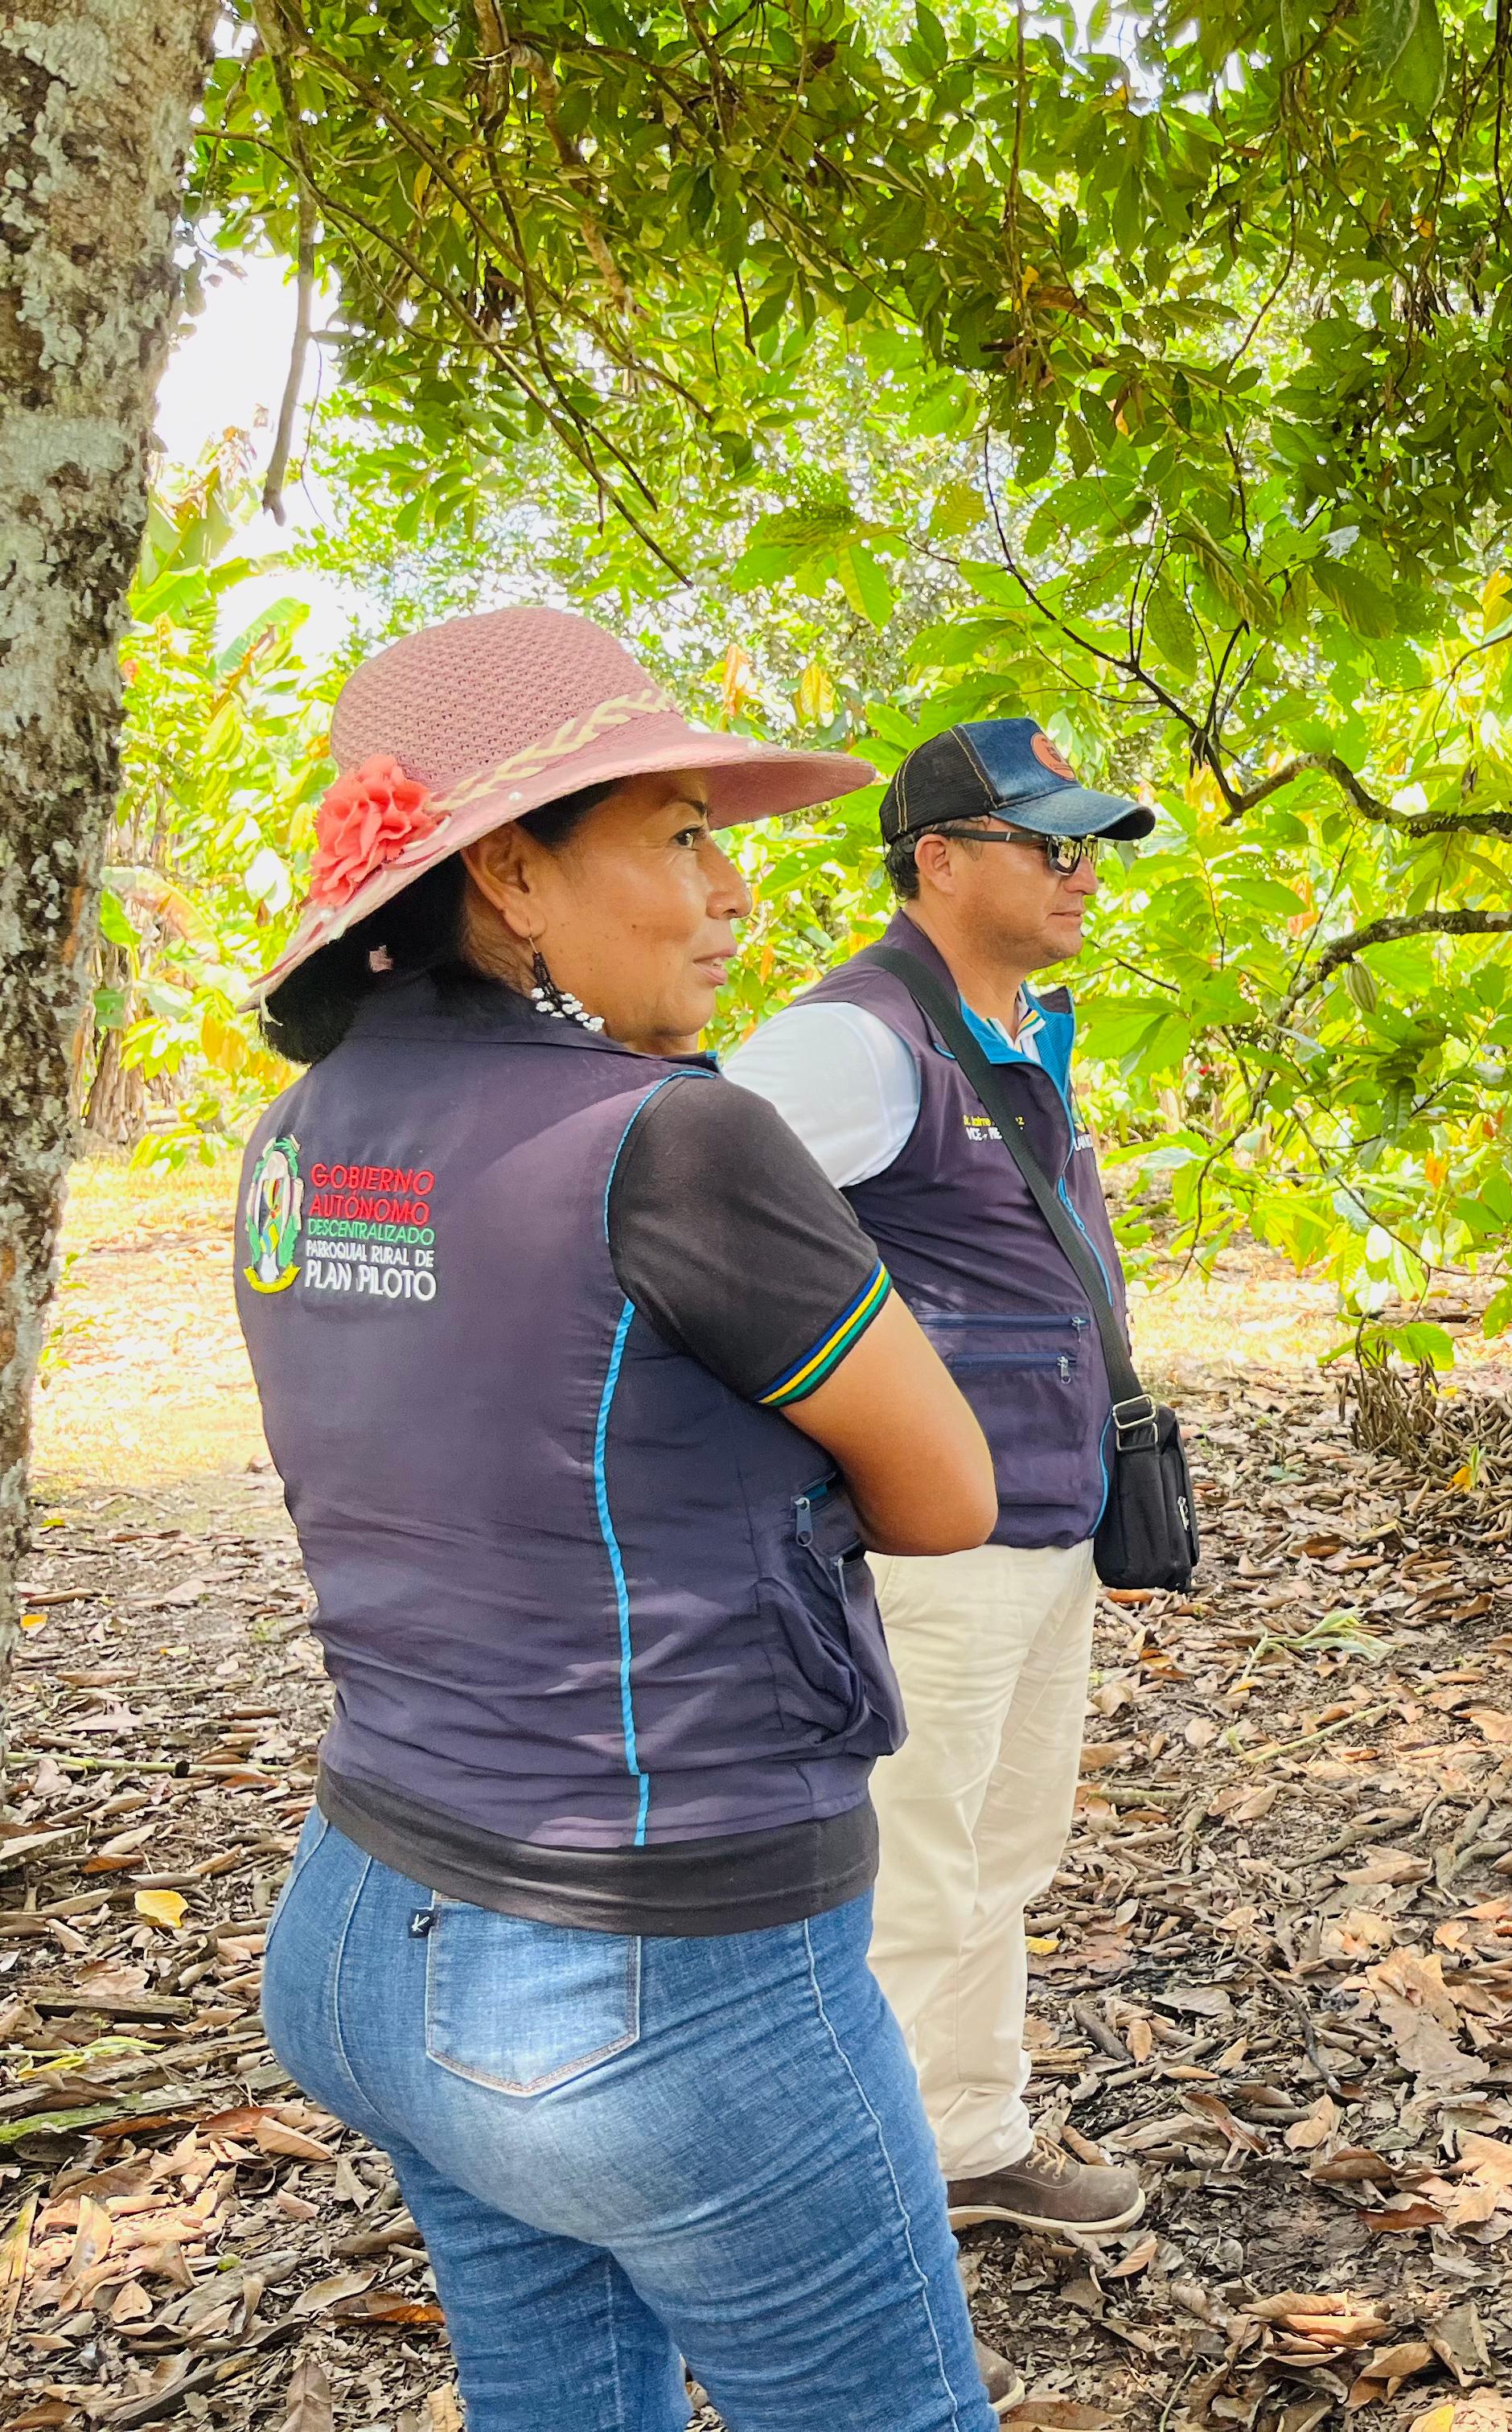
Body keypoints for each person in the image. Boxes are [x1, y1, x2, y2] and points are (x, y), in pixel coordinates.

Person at [239, 606, 1014, 2430]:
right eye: (677, 836)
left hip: (367, 1920)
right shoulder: (672, 1142)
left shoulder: (299, 1139)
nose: (732, 891)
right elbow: (951, 1490)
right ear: (509, 875)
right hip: (653, 1973)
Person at [725, 718, 1157, 2241]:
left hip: (1038, 1528)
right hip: (929, 1548)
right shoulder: (854, 1041)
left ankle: (968, 2139)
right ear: (940, 861)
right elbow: (673, 1213)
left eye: (1088, 847)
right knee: (911, 1871)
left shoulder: (1013, 1033)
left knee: (1000, 1856)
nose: (1080, 873)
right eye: (1050, 844)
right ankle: (849, 2211)